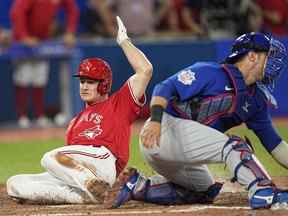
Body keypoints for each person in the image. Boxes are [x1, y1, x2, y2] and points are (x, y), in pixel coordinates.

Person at [105, 32, 288, 209]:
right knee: (235, 146)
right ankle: (263, 192)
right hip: (163, 132)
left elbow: (276, 145)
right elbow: (165, 87)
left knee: (204, 190)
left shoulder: (255, 99)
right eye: (268, 55)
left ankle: (135, 186)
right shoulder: (212, 72)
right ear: (252, 57)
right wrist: (155, 119)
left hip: (181, 152)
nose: (273, 62)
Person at [6, 16, 153, 204]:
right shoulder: (74, 122)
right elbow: (69, 163)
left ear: (104, 84)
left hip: (103, 161)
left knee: (51, 157)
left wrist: (124, 42)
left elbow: (145, 71)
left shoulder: (119, 103)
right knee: (16, 184)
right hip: (79, 171)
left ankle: (95, 186)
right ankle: (89, 196)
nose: (84, 86)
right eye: (82, 81)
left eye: (90, 82)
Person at [10, 0, 79, 128]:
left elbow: (72, 10)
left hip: (43, 42)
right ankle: (22, 116)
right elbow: (16, 12)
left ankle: (40, 115)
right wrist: (23, 36)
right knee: (23, 78)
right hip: (23, 44)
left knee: (40, 79)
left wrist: (70, 32)